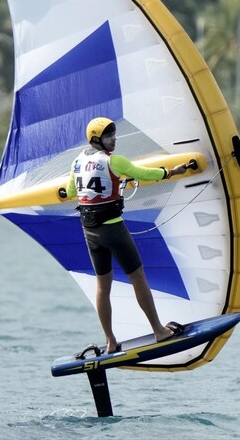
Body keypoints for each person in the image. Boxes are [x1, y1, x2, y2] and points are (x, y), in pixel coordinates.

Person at [64, 117, 188, 353]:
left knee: (103, 286)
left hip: (90, 233)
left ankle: (111, 341)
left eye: (114, 135)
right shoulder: (115, 161)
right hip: (113, 229)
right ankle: (159, 331)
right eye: (110, 136)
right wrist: (172, 172)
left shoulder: (77, 161)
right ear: (97, 140)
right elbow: (144, 173)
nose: (115, 139)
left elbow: (71, 191)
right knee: (138, 277)